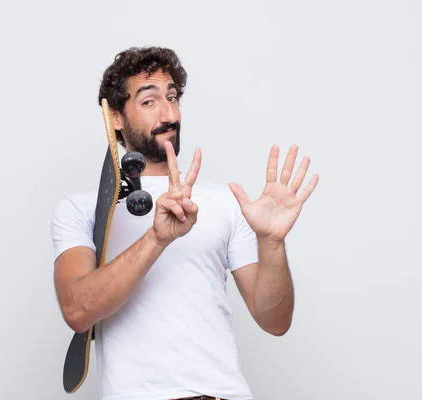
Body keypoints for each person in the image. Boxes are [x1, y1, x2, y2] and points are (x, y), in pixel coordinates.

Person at [51, 46, 319, 400]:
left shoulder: (226, 203)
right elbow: (77, 310)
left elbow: (275, 321)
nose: (169, 113)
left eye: (172, 97)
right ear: (116, 117)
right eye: (149, 101)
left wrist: (271, 242)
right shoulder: (83, 210)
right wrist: (157, 239)